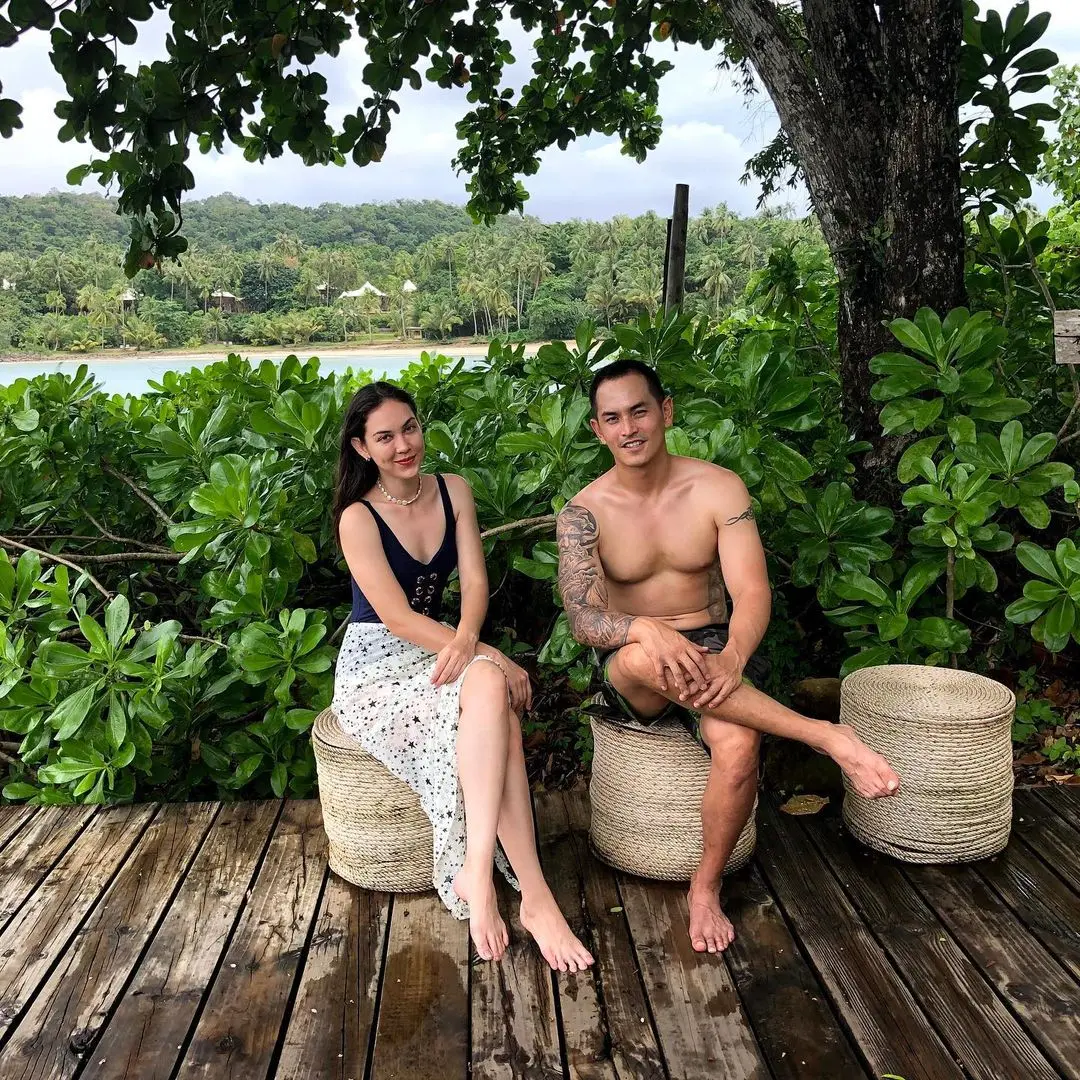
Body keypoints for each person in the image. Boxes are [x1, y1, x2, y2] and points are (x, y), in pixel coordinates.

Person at [556, 359, 900, 955]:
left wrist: (735, 654)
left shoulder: (718, 488)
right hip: (630, 658)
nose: (629, 428)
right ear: (597, 429)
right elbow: (584, 621)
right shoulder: (583, 514)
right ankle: (824, 736)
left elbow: (752, 591)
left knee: (738, 744)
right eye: (612, 419)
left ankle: (705, 887)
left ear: (665, 411)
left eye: (639, 411)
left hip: (715, 640)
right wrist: (645, 628)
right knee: (642, 658)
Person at [331, 381, 593, 973]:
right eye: (384, 437)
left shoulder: (453, 490)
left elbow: (474, 582)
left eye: (410, 428)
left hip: (446, 644)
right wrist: (487, 655)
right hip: (378, 665)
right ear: (362, 448)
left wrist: (473, 643)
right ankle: (529, 893)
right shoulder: (358, 518)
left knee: (492, 697)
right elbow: (395, 618)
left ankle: (492, 880)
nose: (404, 445)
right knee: (493, 692)